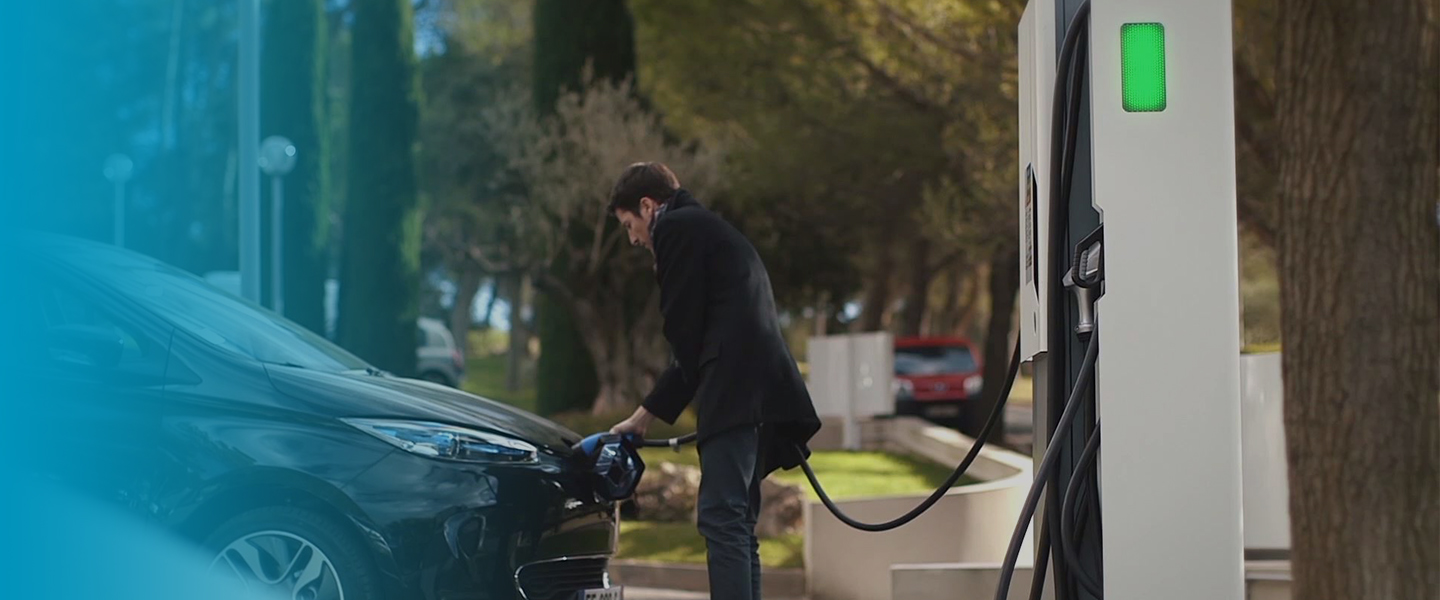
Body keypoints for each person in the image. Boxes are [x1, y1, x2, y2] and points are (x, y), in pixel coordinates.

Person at [607, 162, 820, 600]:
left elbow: (686, 338)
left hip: (735, 392)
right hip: (766, 395)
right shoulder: (711, 229)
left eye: (630, 225)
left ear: (648, 207)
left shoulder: (676, 230)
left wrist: (642, 418)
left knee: (722, 519)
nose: (633, 238)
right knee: (738, 524)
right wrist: (647, 415)